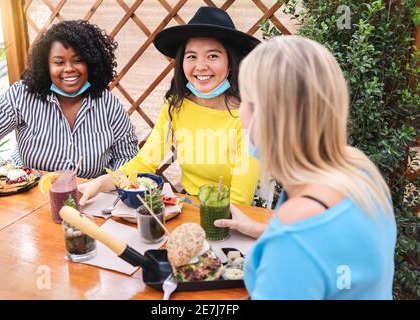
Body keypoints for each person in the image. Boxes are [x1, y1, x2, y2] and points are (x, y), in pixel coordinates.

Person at [214, 36, 396, 299]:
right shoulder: (359, 169)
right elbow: (329, 248)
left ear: (268, 117)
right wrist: (262, 231)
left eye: (246, 101)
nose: (241, 114)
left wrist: (280, 237)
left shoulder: (294, 233)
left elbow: (303, 245)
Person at [79, 7, 261, 205]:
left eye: (213, 56)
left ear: (230, 63)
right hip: (187, 206)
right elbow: (146, 162)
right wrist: (100, 183)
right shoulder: (175, 107)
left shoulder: (248, 119)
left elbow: (240, 200)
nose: (200, 66)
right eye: (191, 56)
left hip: (228, 218)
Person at [0, 20, 138, 178]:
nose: (69, 69)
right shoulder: (23, 95)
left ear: (92, 64)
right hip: (33, 196)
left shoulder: (108, 105)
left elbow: (127, 156)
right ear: (46, 66)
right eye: (59, 62)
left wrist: (106, 186)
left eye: (78, 61)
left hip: (89, 201)